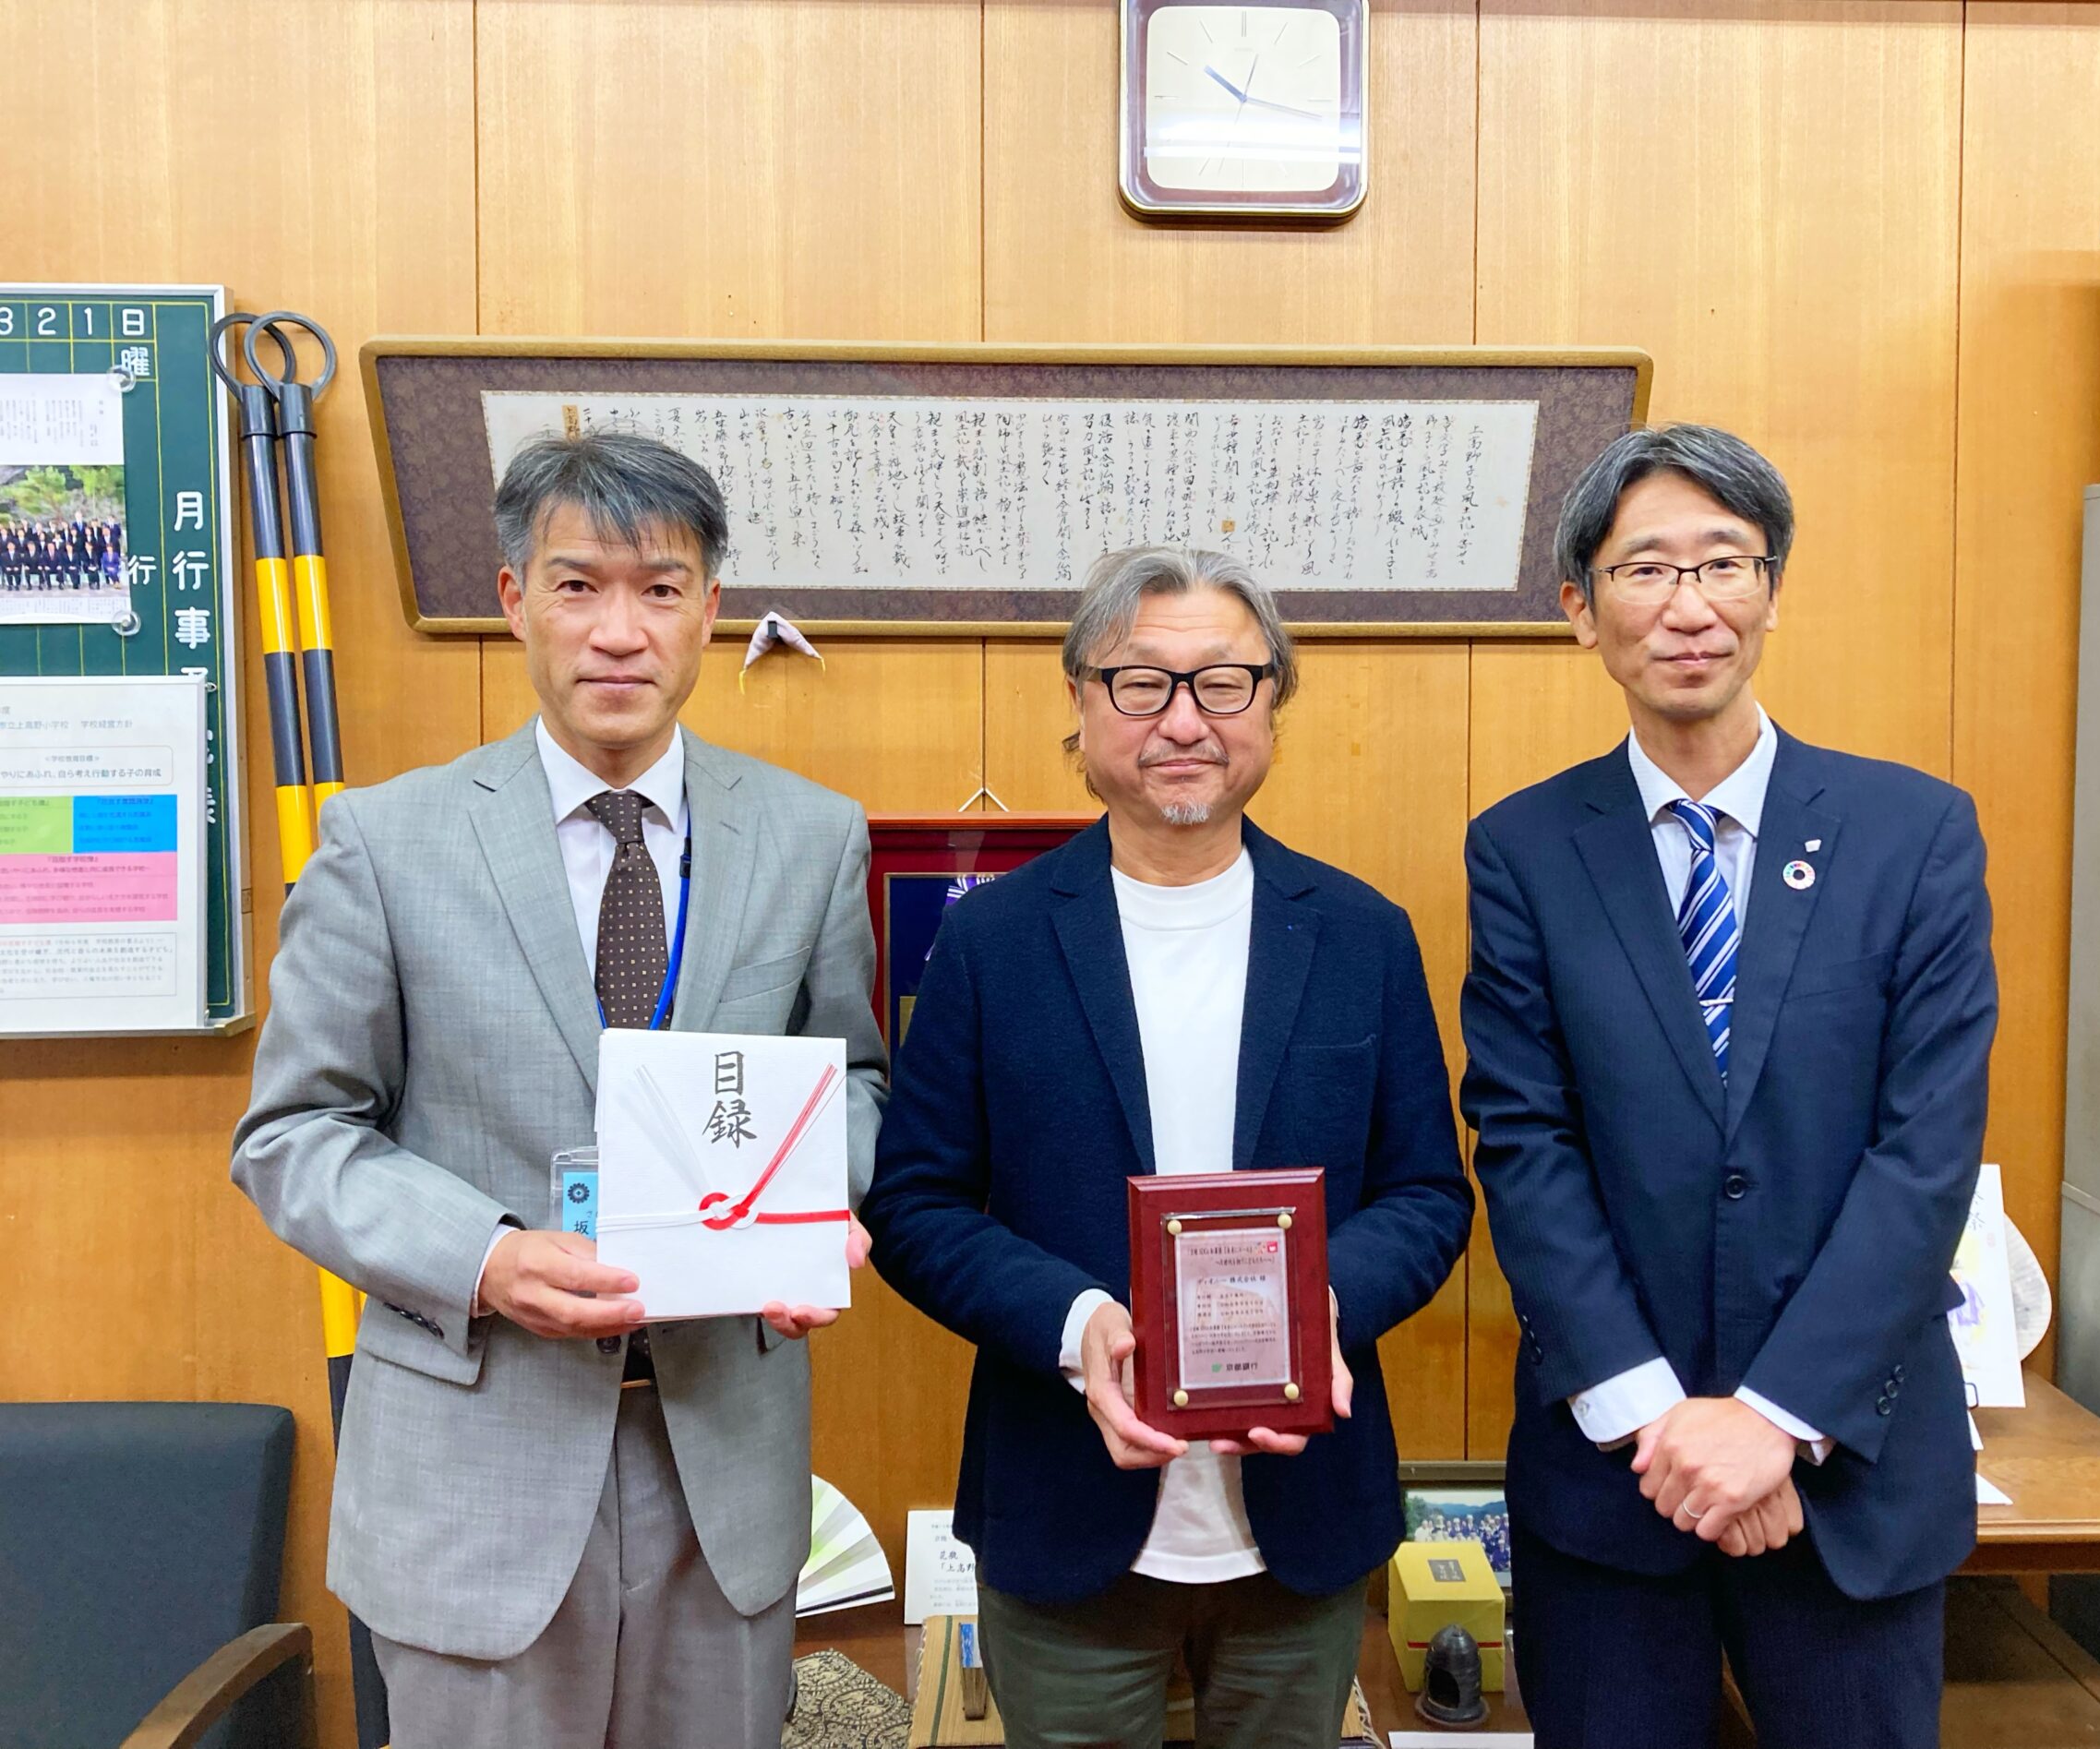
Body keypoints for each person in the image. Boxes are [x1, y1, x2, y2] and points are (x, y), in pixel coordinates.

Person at [233, 431, 888, 1749]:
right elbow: (295, 1134)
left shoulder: (811, 837)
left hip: (722, 1463)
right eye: (579, 585)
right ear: (514, 597)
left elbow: (855, 1079)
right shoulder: (383, 840)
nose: (619, 632)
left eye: (661, 589)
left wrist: (817, 1205)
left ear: (710, 609)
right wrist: (483, 1258)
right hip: (478, 1470)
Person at [864, 545, 1472, 1749]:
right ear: (1082, 703)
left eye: (1224, 682)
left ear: (1273, 703)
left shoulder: (1362, 933)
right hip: (1064, 1511)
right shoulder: (992, 943)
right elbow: (916, 1205)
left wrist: (1321, 1304)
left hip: (1299, 1521)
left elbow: (1426, 1193)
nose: (1183, 721)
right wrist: (1077, 1323)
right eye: (1141, 682)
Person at [1460, 425, 1997, 1749]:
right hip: (1614, 1478)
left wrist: (1773, 1423)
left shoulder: (1914, 832)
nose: (1688, 606)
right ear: (1581, 608)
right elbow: (1525, 1144)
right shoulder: (1524, 847)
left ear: (1771, 589)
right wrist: (1663, 1426)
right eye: (1646, 569)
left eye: (1724, 564)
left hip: (1849, 1465)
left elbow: (1925, 1155)